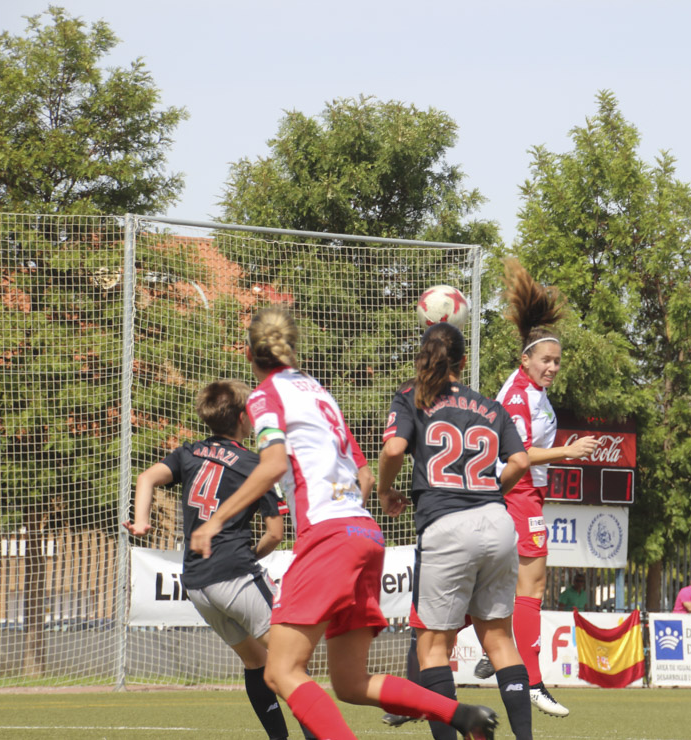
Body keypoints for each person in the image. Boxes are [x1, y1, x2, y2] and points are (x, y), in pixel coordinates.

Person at [189, 307, 498, 740]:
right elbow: (366, 473)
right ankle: (460, 715)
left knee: (280, 671)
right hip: (364, 532)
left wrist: (215, 520)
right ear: (292, 348)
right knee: (351, 684)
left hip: (330, 536)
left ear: (248, 353)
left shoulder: (264, 397)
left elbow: (274, 464)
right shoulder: (317, 392)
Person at [378, 321, 533, 740]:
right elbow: (519, 462)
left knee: (433, 648)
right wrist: (486, 491)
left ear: (423, 356)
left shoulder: (412, 397)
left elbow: (394, 448)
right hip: (498, 523)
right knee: (500, 641)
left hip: (446, 525)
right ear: (463, 362)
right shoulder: (489, 406)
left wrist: (385, 489)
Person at [125, 379, 296, 740]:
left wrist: (141, 521)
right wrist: (249, 556)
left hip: (198, 584)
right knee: (292, 662)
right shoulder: (256, 465)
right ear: (242, 418)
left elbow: (146, 478)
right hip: (235, 573)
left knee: (255, 661)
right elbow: (275, 534)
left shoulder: (188, 453)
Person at [487, 259, 600, 718]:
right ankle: (531, 680)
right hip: (514, 492)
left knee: (512, 585)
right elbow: (519, 456)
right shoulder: (517, 396)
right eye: (546, 360)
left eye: (556, 361)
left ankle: (498, 655)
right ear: (525, 360)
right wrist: (568, 453)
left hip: (523, 494)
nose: (552, 367)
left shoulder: (531, 391)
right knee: (532, 585)